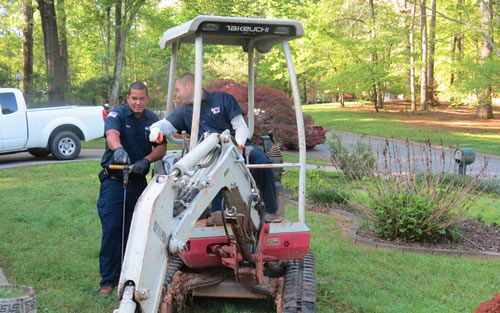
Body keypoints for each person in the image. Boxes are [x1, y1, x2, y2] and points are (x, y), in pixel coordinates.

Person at [149, 73, 277, 216]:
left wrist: (238, 146)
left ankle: (270, 211)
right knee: (213, 172)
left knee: (261, 161)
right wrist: (155, 130)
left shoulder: (223, 99)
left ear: (189, 86)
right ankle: (218, 214)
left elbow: (241, 127)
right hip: (209, 156)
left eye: (178, 90)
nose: (177, 95)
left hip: (238, 147)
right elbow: (164, 125)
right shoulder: (184, 110)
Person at [96, 82, 166, 296]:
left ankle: (132, 276)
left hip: (138, 182)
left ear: (147, 98)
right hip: (114, 182)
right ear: (128, 98)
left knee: (137, 230)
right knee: (112, 228)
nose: (138, 102)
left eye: (141, 98)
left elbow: (161, 146)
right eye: (134, 98)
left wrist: (147, 160)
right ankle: (108, 281)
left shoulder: (153, 120)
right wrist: (117, 150)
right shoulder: (116, 115)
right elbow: (111, 135)